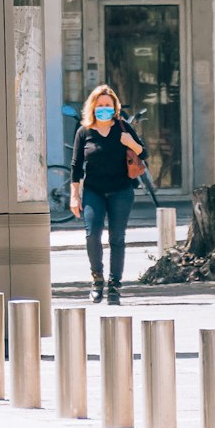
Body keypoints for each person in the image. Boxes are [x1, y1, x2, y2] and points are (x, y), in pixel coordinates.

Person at [69, 84, 147, 304]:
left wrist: (131, 142)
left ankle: (115, 286)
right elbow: (76, 165)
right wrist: (74, 195)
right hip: (94, 191)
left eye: (108, 105)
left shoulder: (122, 128)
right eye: (100, 105)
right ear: (93, 107)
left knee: (117, 238)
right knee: (92, 235)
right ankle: (97, 280)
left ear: (114, 107)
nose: (104, 108)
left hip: (121, 190)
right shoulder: (84, 131)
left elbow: (144, 153)